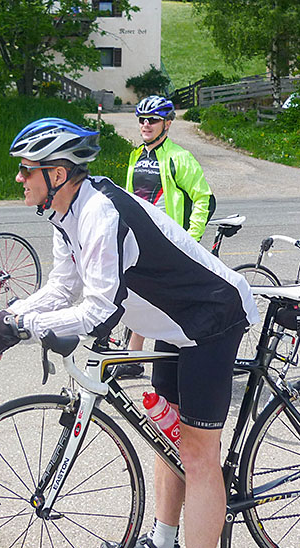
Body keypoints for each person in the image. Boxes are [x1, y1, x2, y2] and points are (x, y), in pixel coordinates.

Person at [0, 118, 258, 548]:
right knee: (172, 436)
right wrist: (7, 315)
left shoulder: (100, 213)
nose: (19, 179)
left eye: (26, 170)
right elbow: (63, 287)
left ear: (56, 174)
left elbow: (100, 307)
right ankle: (166, 545)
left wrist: (19, 328)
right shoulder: (65, 213)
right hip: (171, 327)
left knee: (200, 454)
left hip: (209, 319)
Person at [114, 95, 216, 379]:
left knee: (166, 299)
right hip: (140, 240)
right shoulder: (137, 156)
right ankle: (134, 356)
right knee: (138, 293)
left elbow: (203, 198)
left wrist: (190, 239)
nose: (146, 125)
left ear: (167, 124)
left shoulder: (178, 157)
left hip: (170, 243)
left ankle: (188, 356)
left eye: (153, 120)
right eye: (142, 120)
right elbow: (131, 199)